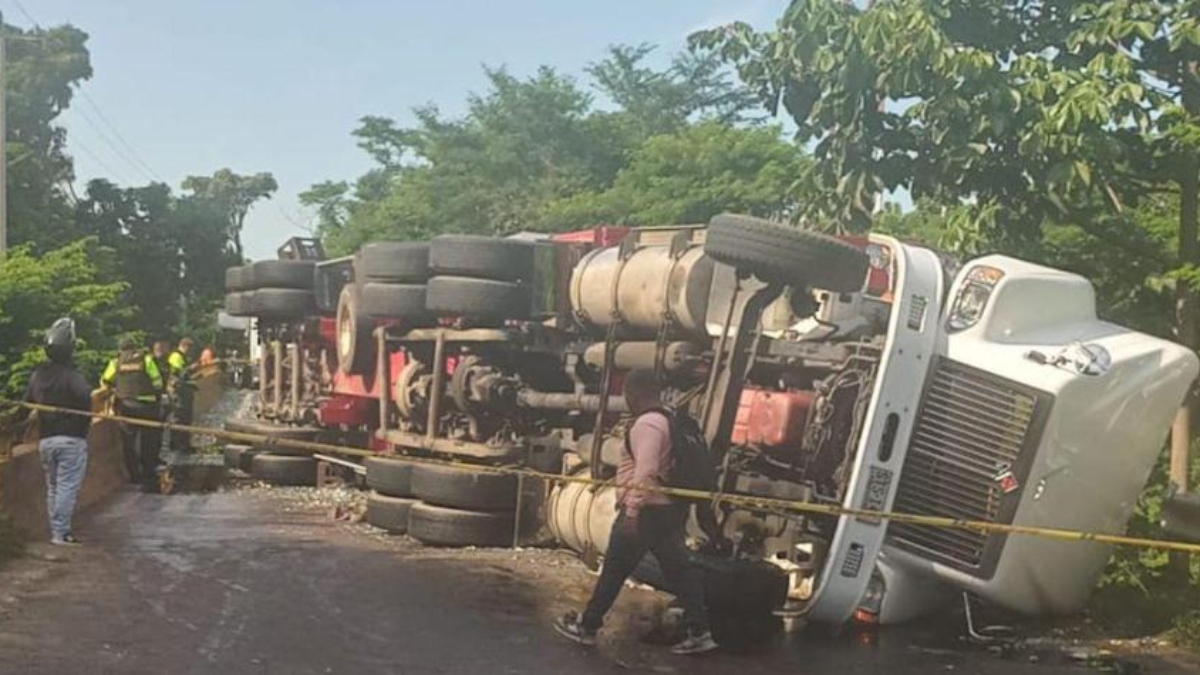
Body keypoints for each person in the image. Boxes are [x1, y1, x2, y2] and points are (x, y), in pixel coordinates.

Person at [554, 370, 718, 655]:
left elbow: (646, 471)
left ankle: (588, 626)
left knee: (615, 569)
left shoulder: (647, 424)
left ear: (636, 393)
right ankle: (700, 631)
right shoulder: (669, 419)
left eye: (627, 393)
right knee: (679, 571)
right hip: (668, 509)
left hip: (646, 513)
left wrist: (632, 512)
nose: (626, 399)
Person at [24, 318, 92, 545]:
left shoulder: (37, 376)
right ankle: (60, 534)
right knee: (66, 487)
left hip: (46, 441)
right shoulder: (73, 376)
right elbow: (86, 399)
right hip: (71, 440)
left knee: (53, 487)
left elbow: (26, 404)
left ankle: (57, 530)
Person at [102, 338, 164, 491]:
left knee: (128, 442)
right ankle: (148, 471)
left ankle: (134, 475)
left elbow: (105, 380)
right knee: (148, 440)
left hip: (126, 406)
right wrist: (157, 395)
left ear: (121, 349)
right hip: (147, 406)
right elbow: (157, 382)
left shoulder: (116, 362)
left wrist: (114, 392)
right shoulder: (146, 359)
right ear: (135, 348)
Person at [167, 338, 197, 452]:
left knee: (185, 418)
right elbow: (178, 374)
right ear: (185, 346)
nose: (190, 352)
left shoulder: (182, 357)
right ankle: (178, 444)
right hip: (178, 392)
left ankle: (183, 443)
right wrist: (191, 368)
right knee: (179, 417)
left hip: (183, 391)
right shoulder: (176, 356)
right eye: (189, 349)